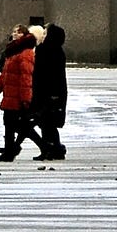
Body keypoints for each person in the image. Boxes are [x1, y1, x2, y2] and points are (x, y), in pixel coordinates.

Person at [0, 24, 42, 162]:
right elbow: (6, 73)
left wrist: (26, 98)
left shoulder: (25, 52)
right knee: (15, 125)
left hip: (18, 96)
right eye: (14, 31)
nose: (15, 34)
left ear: (25, 35)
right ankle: (42, 147)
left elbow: (26, 77)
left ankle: (9, 152)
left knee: (14, 125)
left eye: (18, 32)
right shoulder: (13, 50)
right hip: (10, 94)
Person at [33, 23, 69, 161]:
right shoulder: (50, 50)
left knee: (47, 121)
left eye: (45, 33)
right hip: (48, 91)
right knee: (46, 122)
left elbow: (51, 74)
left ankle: (52, 148)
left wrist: (53, 94)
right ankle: (54, 148)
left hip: (50, 92)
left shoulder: (49, 51)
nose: (42, 35)